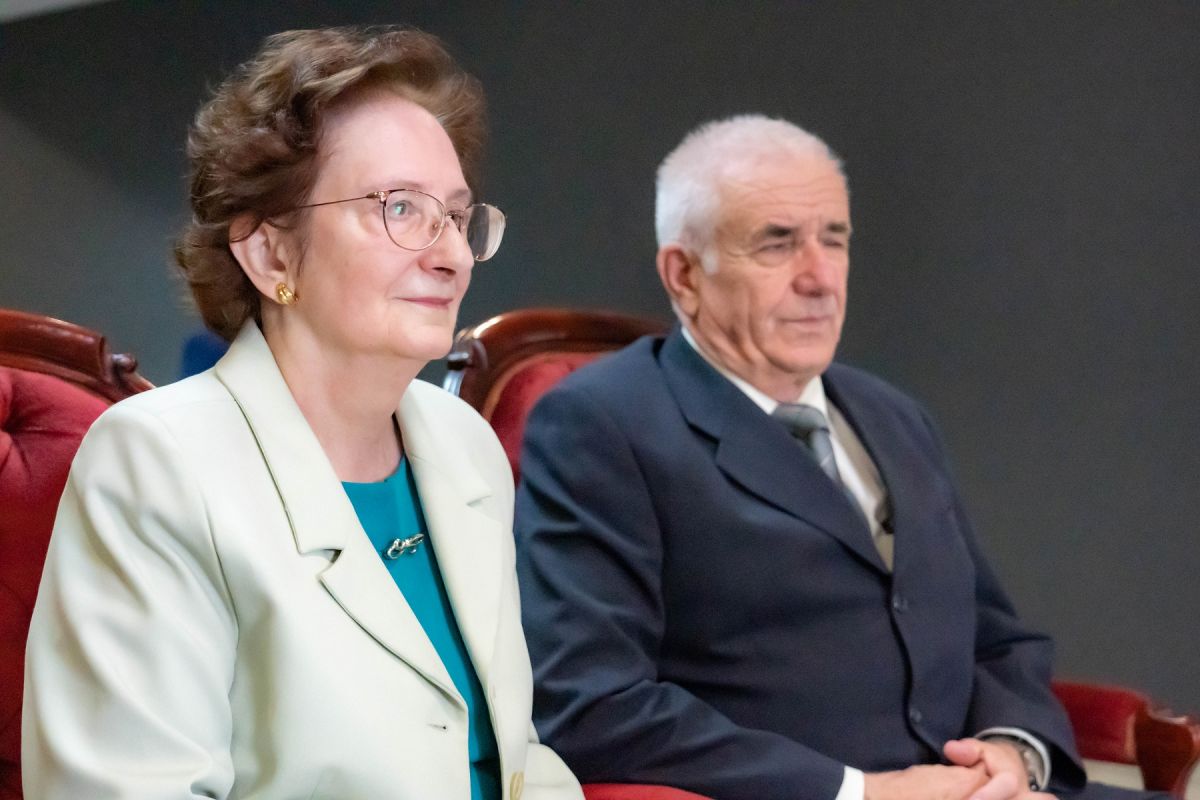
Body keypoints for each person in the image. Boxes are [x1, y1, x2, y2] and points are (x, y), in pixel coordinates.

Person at [514, 115, 1166, 800]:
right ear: (685, 274)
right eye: (777, 244)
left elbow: (996, 639)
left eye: (834, 239)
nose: (821, 278)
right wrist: (862, 792)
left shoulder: (891, 414)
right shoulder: (604, 424)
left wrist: (1012, 752)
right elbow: (593, 702)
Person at [23, 26, 581, 800]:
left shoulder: (465, 443)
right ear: (271, 254)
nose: (452, 255)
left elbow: (515, 757)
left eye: (457, 217)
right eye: (400, 208)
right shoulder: (157, 462)